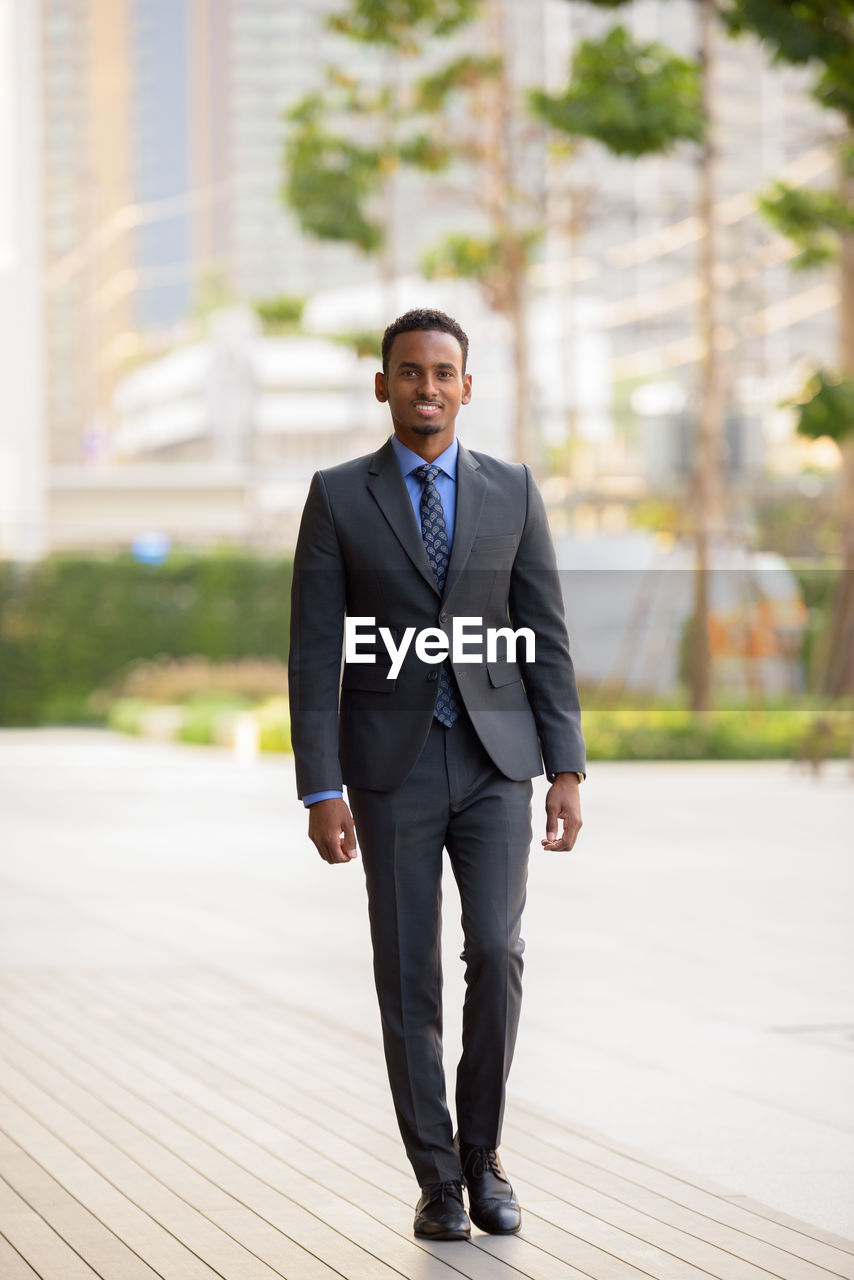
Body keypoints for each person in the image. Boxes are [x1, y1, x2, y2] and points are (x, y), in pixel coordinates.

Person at [288, 308, 585, 1241]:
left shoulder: (514, 490)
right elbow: (312, 654)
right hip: (389, 772)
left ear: (468, 384)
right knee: (407, 974)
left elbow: (543, 631)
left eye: (443, 372)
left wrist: (566, 764)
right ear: (384, 386)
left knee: (496, 953)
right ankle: (437, 1180)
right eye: (409, 372)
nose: (427, 387)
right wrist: (320, 784)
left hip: (498, 763)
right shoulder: (338, 497)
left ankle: (483, 1154)